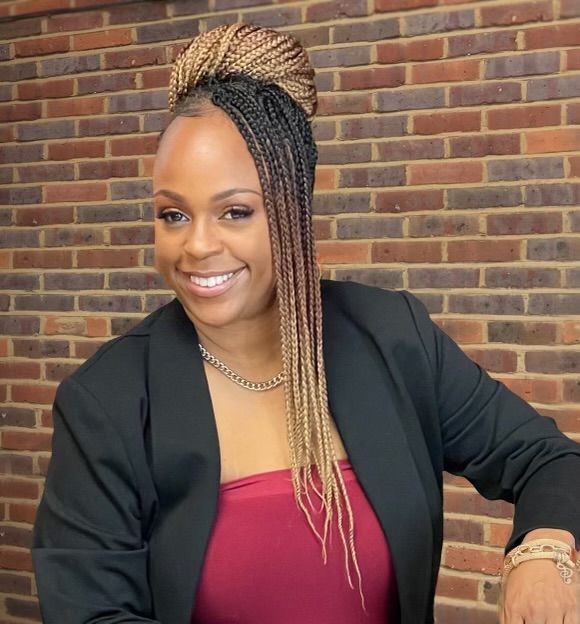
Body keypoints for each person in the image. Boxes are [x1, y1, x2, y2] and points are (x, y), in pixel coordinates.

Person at [31, 23, 580, 624]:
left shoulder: (392, 339)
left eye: (235, 211)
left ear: (294, 208)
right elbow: (90, 613)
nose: (197, 244)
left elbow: (548, 460)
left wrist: (544, 552)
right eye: (173, 214)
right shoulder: (107, 402)